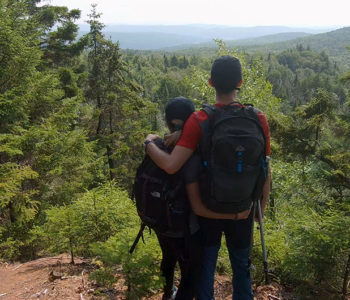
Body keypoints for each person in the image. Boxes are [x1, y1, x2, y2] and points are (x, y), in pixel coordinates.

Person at [143, 56, 271, 300]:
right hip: (243, 209)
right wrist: (260, 209)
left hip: (207, 209)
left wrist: (149, 142)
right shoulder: (258, 118)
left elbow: (171, 165)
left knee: (206, 269)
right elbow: (265, 169)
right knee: (242, 267)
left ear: (211, 83)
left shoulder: (199, 120)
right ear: (240, 83)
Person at [150, 97, 238, 300]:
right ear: (191, 120)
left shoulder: (159, 148)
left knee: (168, 257)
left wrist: (148, 141)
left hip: (162, 221)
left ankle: (166, 293)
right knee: (190, 272)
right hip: (191, 223)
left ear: (166, 119)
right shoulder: (198, 147)